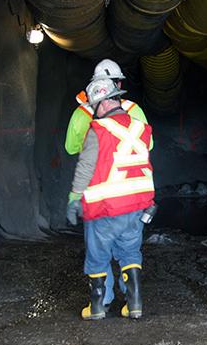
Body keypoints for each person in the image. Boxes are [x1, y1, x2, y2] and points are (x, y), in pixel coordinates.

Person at [66, 75, 155, 320]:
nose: (94, 112)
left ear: (103, 103)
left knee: (98, 254)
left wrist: (75, 197)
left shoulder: (98, 130)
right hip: (137, 207)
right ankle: (134, 304)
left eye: (94, 107)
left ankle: (97, 307)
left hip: (105, 208)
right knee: (129, 252)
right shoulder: (141, 128)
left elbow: (85, 166)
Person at [64, 59, 146, 156]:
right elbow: (148, 145)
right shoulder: (134, 109)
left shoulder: (80, 113)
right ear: (119, 84)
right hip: (130, 168)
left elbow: (71, 149)